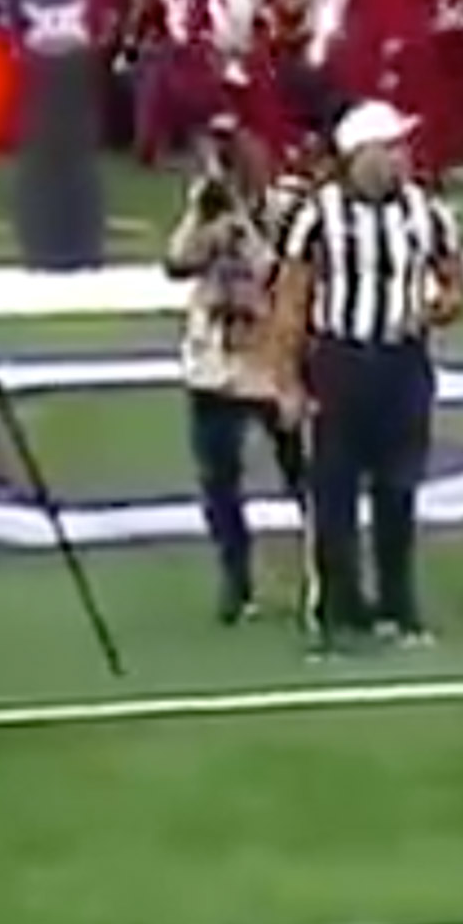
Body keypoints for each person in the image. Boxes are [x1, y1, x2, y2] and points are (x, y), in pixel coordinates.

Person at [269, 98, 463, 655]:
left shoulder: (428, 213)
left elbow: (456, 289)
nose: (404, 157)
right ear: (361, 156)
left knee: (398, 490)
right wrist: (287, 381)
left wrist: (432, 310)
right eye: (392, 147)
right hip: (339, 362)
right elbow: (291, 302)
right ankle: (338, 611)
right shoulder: (316, 215)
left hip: (402, 362)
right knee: (332, 494)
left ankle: (399, 607)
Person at [165, 119, 312, 624]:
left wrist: (246, 237)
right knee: (219, 481)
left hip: (272, 358)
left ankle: (324, 569)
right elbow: (176, 262)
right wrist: (205, 221)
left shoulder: (290, 208)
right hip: (215, 362)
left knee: (304, 473)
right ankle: (236, 579)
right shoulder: (205, 205)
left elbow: (283, 276)